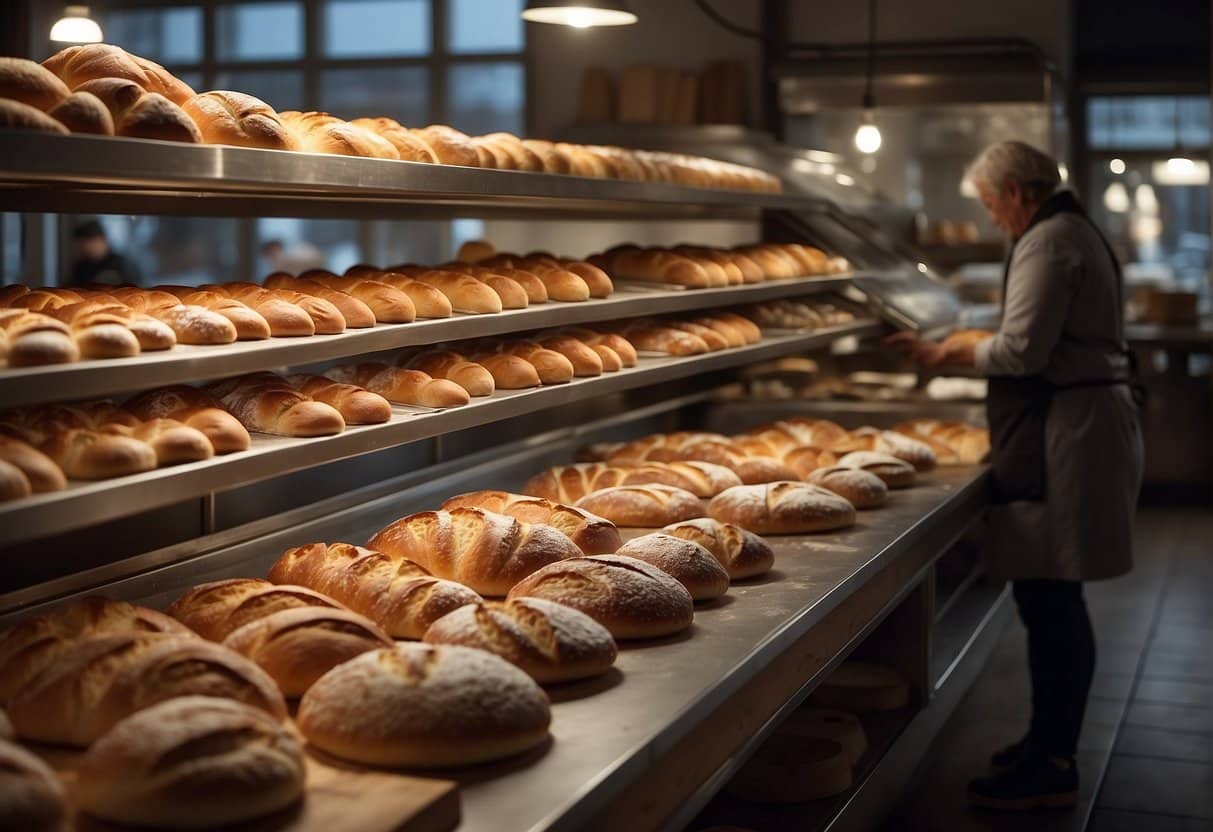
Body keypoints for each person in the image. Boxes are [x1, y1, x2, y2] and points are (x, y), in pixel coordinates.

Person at [890, 141, 1144, 811]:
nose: (990, 216)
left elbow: (1021, 350)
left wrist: (955, 349)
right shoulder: (1064, 229)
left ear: (1016, 194)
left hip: (1068, 432)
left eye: (988, 203)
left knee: (1053, 600)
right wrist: (961, 336)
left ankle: (1053, 759)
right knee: (1046, 598)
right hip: (1072, 422)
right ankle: (1043, 741)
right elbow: (1027, 329)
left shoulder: (1046, 239)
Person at [68, 220, 142, 286]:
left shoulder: (122, 264)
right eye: (84, 245)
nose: (90, 248)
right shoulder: (82, 268)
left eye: (94, 242)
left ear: (103, 240)